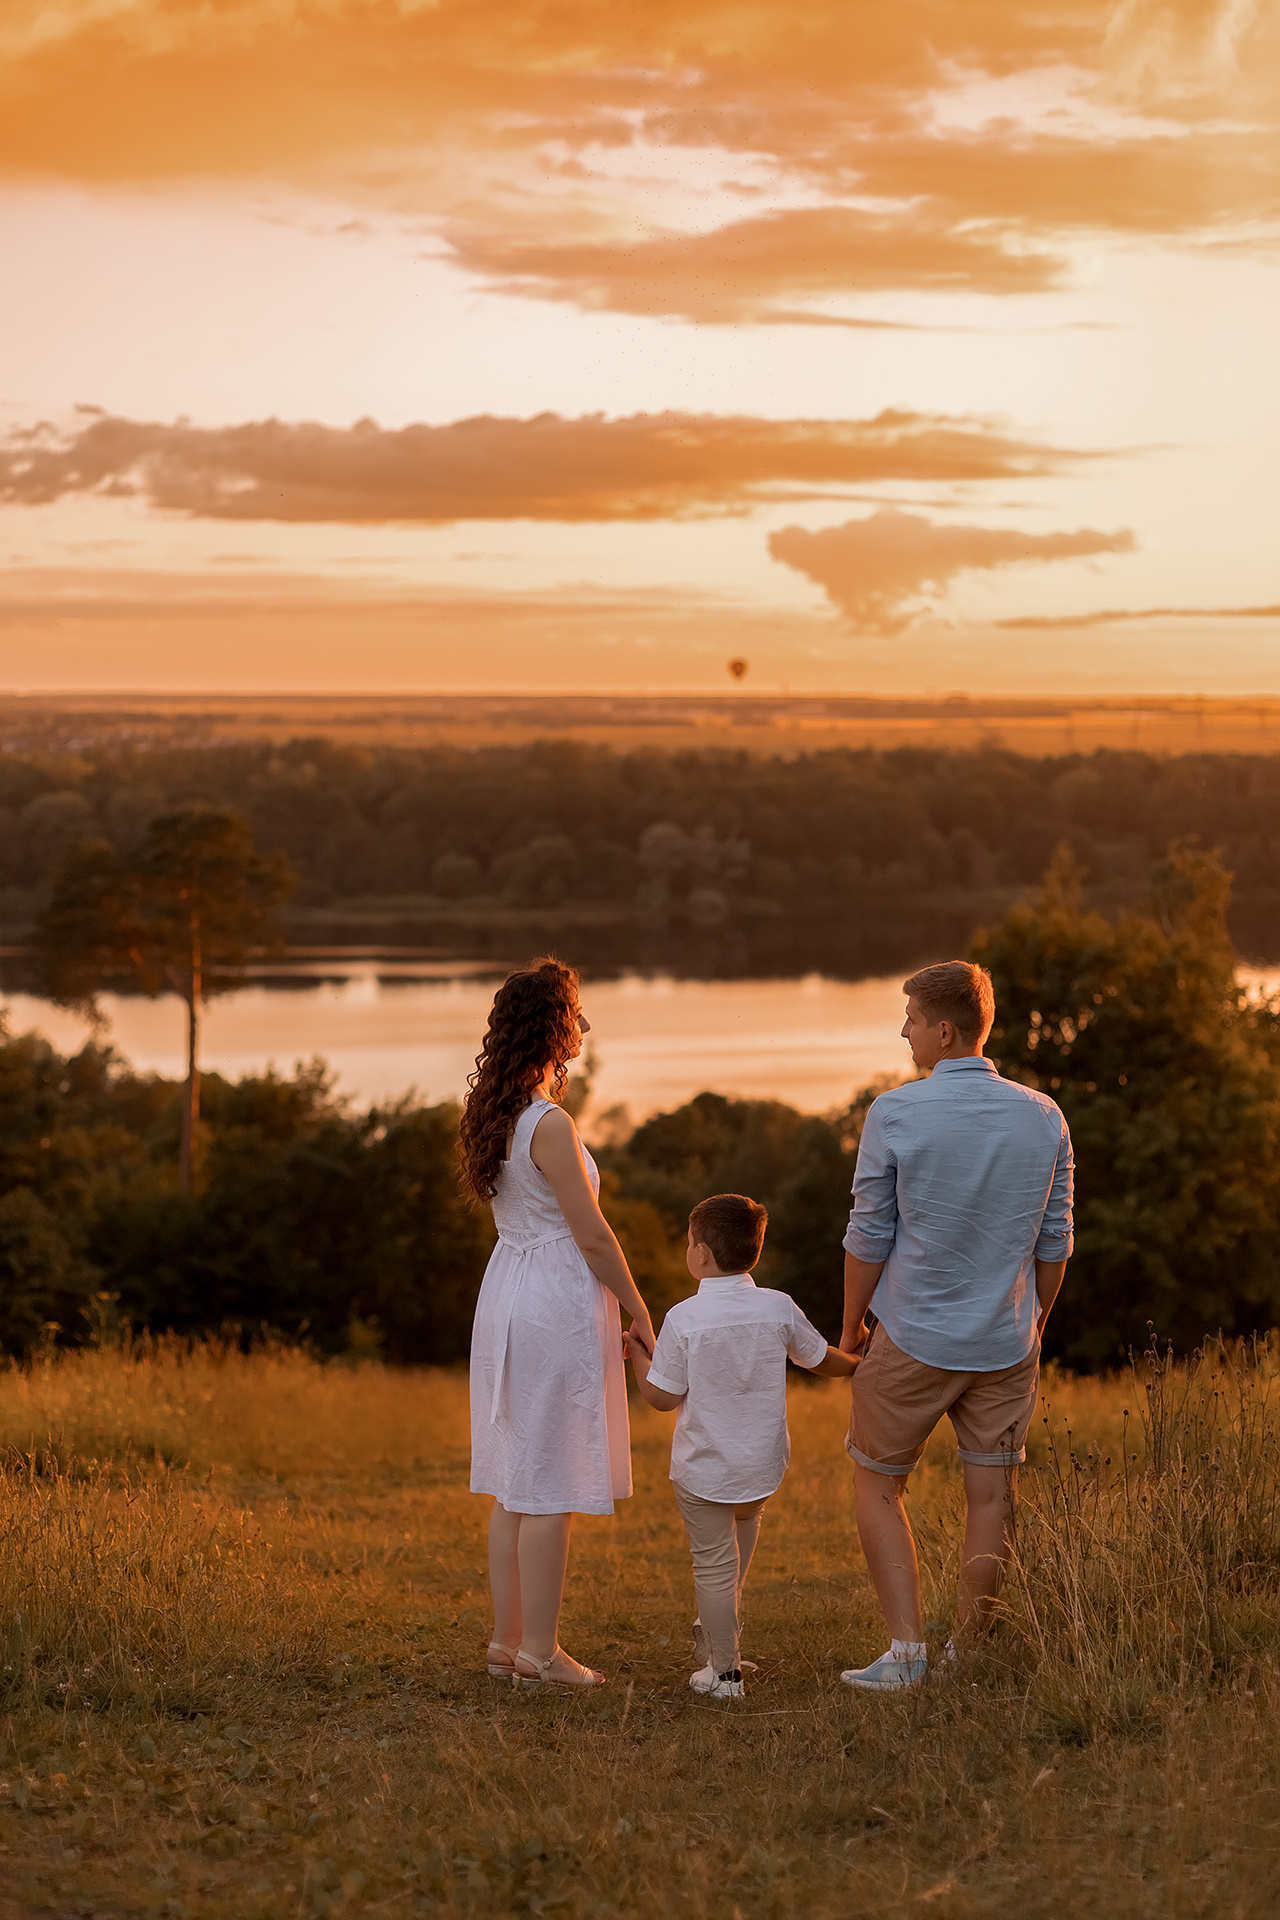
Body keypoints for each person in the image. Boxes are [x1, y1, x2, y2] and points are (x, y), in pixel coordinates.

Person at [839, 960, 1073, 1691]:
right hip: (1007, 1342)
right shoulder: (1044, 1115)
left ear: (945, 1030)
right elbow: (1055, 1242)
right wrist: (1033, 1324)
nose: (903, 1030)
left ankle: (906, 1655)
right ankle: (967, 1654)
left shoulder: (895, 1113)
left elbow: (867, 1235)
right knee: (992, 1494)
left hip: (913, 1336)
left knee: (877, 1484)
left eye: (910, 1018)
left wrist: (850, 1330)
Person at [462, 957, 655, 1689]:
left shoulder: (496, 1110)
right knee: (547, 1479)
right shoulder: (547, 1122)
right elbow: (594, 1234)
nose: (584, 1026)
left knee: (518, 1479)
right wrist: (639, 1308)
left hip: (509, 1288)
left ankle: (508, 1644)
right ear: (554, 1028)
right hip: (548, 1300)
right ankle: (540, 1653)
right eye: (575, 1014)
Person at [626, 1192, 857, 1699]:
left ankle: (725, 1674)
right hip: (761, 1469)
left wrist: (639, 1357)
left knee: (712, 1563)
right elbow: (822, 1361)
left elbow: (661, 1398)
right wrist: (862, 1364)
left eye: (688, 1242)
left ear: (701, 1253)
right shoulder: (778, 1306)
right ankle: (718, 1641)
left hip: (704, 1471)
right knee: (738, 1538)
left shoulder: (684, 1317)